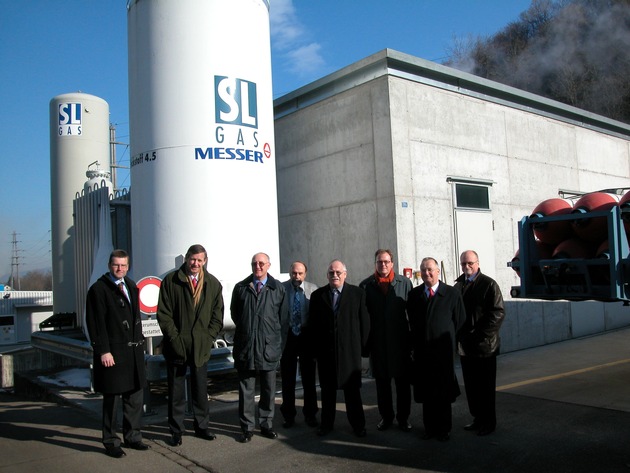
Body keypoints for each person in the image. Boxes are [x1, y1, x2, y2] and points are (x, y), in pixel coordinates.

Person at [157, 244, 224, 447]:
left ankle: (202, 426)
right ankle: (176, 430)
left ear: (205, 261)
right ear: (186, 259)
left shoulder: (212, 284)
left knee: (200, 390)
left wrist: (208, 337)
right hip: (176, 346)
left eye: (199, 260)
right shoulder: (171, 281)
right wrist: (175, 340)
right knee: (176, 392)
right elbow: (164, 314)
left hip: (200, 347)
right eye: (192, 259)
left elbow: (217, 315)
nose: (195, 263)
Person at [85, 249, 148, 458]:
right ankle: (111, 440)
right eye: (116, 265)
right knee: (112, 400)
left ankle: (133, 436)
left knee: (134, 397)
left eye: (123, 265)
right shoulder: (99, 289)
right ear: (109, 265)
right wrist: (103, 351)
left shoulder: (131, 285)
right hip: (113, 352)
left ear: (128, 266)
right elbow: (95, 323)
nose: (119, 268)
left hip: (133, 352)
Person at [230, 252, 288, 443]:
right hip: (246, 347)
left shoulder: (277, 289)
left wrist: (274, 342)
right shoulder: (241, 288)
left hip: (268, 348)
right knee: (246, 389)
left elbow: (283, 319)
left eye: (262, 263)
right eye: (255, 263)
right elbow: (236, 314)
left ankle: (266, 424)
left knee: (268, 389)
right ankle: (247, 427)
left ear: (268, 265)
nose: (258, 266)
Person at [309, 259, 370, 437]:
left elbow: (364, 322)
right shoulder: (318, 296)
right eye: (331, 273)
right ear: (327, 275)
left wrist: (364, 349)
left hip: (350, 353)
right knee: (327, 393)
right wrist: (314, 351)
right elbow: (313, 325)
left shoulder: (357, 294)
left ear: (345, 274)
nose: (334, 275)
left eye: (338, 272)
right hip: (326, 353)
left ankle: (358, 426)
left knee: (352, 393)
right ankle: (326, 425)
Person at [407, 257, 465, 442]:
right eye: (423, 270)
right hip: (422, 354)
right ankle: (429, 428)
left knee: (443, 394)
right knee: (427, 394)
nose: (427, 273)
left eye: (430, 269)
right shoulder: (415, 295)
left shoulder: (451, 294)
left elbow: (460, 321)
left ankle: (444, 429)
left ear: (438, 271)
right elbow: (412, 323)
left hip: (443, 354)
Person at [360, 249, 413, 432]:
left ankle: (403, 418)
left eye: (386, 261)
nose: (383, 264)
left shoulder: (404, 283)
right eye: (379, 261)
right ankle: (386, 417)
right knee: (382, 384)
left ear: (392, 263)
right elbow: (363, 318)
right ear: (375, 263)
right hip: (378, 344)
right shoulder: (366, 286)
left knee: (402, 384)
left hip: (400, 343)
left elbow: (411, 313)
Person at [454, 250, 506, 436]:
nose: (466, 267)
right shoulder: (459, 285)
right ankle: (477, 418)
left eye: (470, 263)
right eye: (463, 264)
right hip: (466, 347)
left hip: (485, 348)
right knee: (471, 387)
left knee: (485, 388)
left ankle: (488, 423)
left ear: (477, 263)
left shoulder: (489, 284)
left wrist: (479, 335)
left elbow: (498, 313)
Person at [280, 261, 319, 428]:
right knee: (287, 379)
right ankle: (288, 416)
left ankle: (310, 414)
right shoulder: (281, 289)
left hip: (306, 336)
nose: (297, 276)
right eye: (294, 273)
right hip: (287, 336)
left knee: (309, 379)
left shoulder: (313, 289)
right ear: (290, 273)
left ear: (305, 274)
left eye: (300, 273)